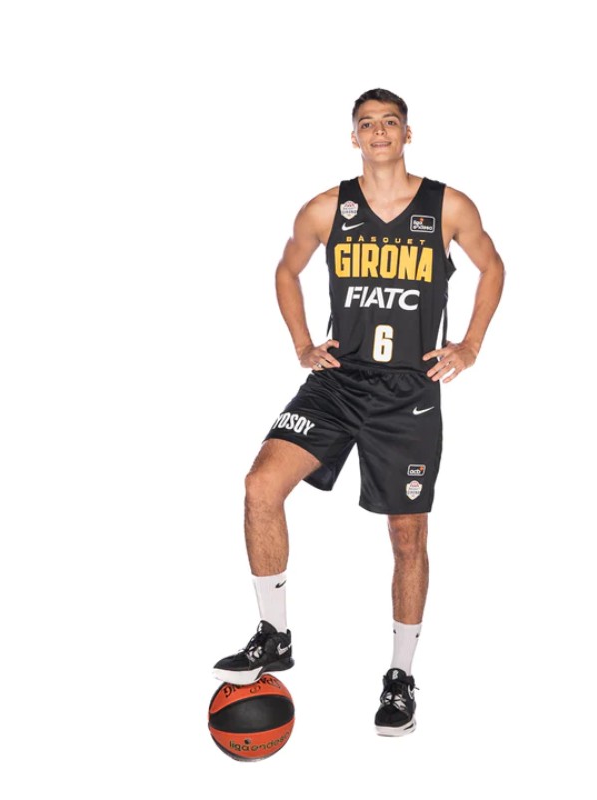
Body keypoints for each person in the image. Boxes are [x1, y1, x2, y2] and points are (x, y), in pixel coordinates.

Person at [212, 88, 505, 737]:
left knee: (407, 536)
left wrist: (471, 344)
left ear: (406, 134)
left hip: (409, 391)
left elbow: (493, 266)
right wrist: (302, 344)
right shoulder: (327, 208)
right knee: (260, 486)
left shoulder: (448, 206)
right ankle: (274, 635)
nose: (378, 132)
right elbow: (286, 270)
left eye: (389, 122)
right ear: (354, 137)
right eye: (366, 124)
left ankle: (400, 676)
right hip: (340, 381)